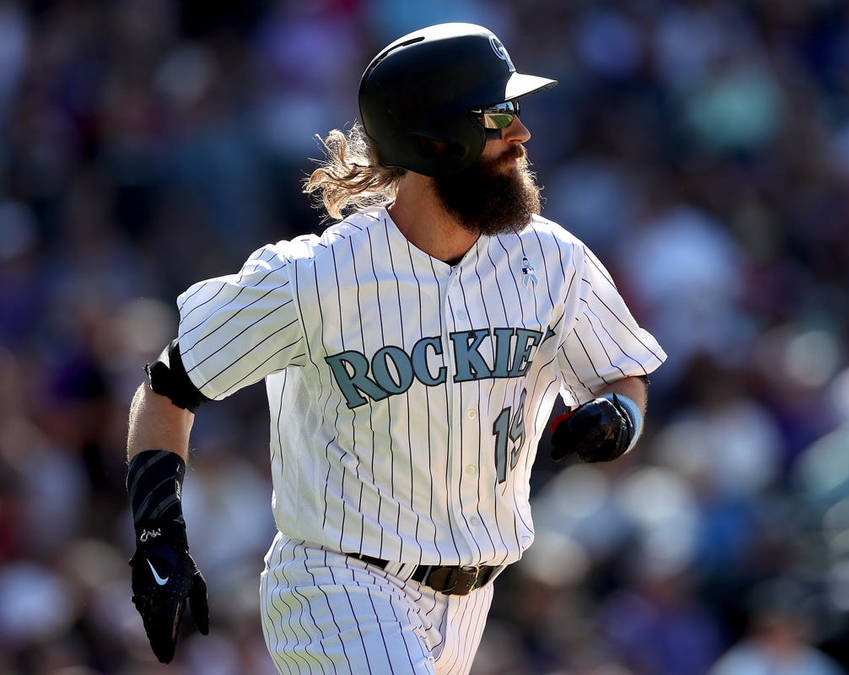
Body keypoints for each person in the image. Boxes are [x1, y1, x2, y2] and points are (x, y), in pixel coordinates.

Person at [124, 22, 666, 674]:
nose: (521, 133)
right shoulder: (314, 278)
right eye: (498, 116)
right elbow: (168, 388)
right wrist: (158, 533)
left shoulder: (552, 261)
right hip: (337, 584)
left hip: (470, 598)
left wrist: (621, 417)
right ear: (434, 141)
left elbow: (622, 374)